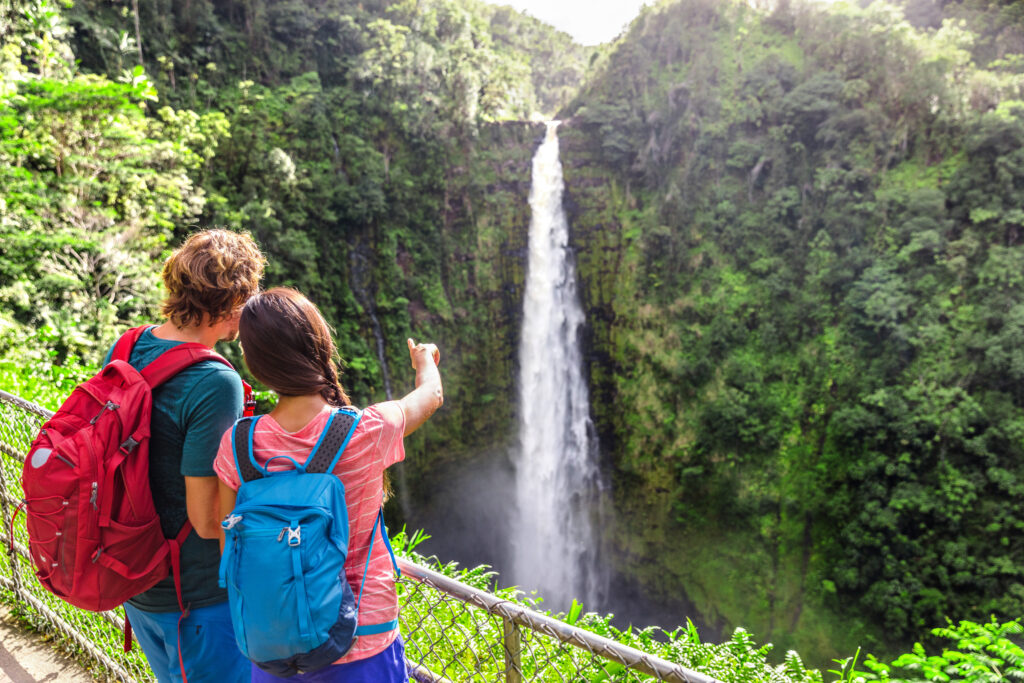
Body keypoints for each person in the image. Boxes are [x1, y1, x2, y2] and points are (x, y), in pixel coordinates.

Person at [213, 287, 443, 683]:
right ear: (319, 345)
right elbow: (431, 395)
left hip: (273, 646)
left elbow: (229, 545)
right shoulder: (366, 431)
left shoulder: (237, 446)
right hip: (363, 640)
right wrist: (425, 360)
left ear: (255, 364)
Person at [103, 229, 265, 683]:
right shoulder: (215, 382)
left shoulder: (127, 346)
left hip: (134, 576)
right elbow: (208, 519)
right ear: (234, 303)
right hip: (194, 597)